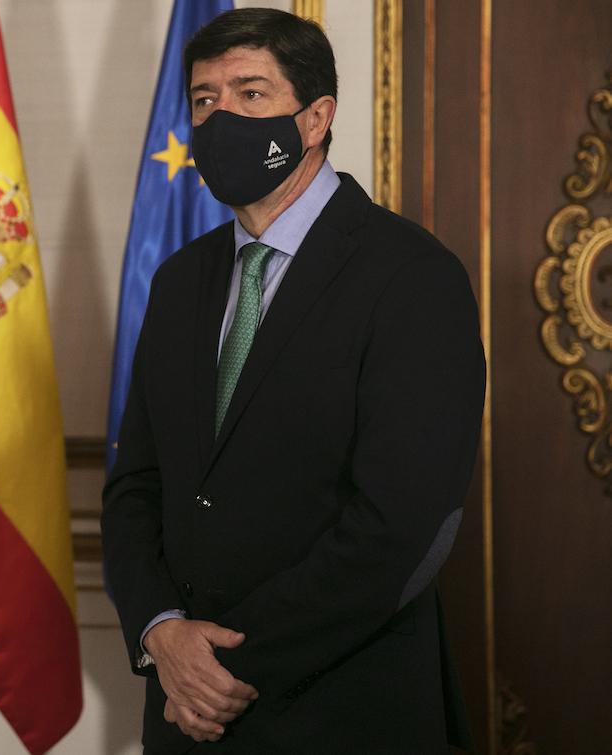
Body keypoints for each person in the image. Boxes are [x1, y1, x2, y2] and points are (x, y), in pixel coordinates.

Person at [101, 9, 485, 754]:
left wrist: (226, 666)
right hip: (187, 713)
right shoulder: (180, 281)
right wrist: (162, 633)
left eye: (251, 94)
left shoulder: (412, 276)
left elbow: (399, 525)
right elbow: (134, 486)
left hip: (342, 709)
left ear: (316, 119)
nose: (221, 117)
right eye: (205, 100)